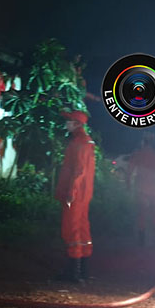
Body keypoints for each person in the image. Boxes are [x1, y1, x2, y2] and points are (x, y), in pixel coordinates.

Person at [55, 109, 96, 283]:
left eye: (69, 121)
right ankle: (82, 271)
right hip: (83, 194)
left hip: (76, 194)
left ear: (77, 124)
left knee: (71, 229)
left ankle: (73, 273)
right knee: (82, 228)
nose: (67, 124)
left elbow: (79, 170)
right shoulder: (85, 141)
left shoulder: (80, 143)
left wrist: (71, 191)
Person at [128, 131, 155, 246]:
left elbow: (129, 171)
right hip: (153, 189)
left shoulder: (137, 154)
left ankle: (141, 238)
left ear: (143, 142)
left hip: (141, 188)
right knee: (154, 214)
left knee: (141, 213)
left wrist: (128, 185)